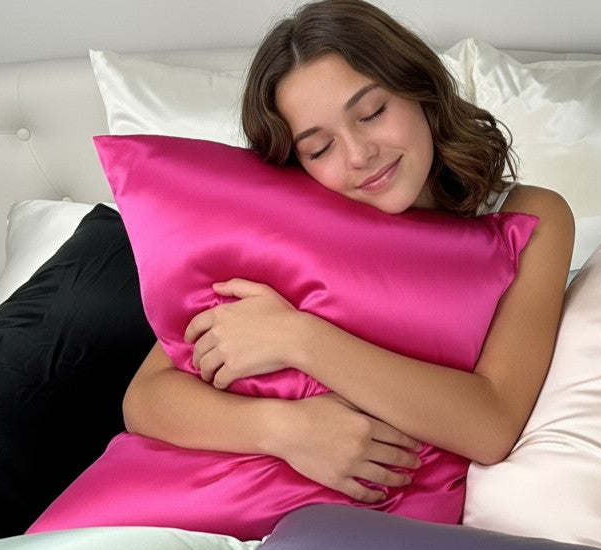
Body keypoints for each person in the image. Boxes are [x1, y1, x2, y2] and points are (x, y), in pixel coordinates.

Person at [121, 0, 574, 507]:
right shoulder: (285, 228)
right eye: (319, 149)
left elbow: (491, 426)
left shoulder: (529, 218)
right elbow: (146, 398)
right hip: (224, 503)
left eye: (373, 113)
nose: (360, 156)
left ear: (420, 89)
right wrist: (285, 429)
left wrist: (299, 338)